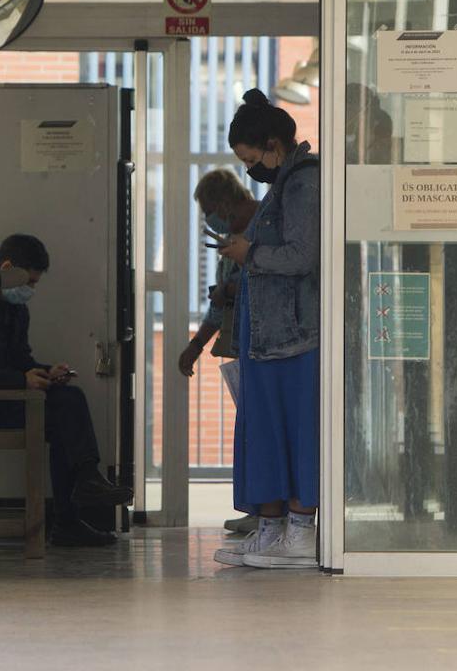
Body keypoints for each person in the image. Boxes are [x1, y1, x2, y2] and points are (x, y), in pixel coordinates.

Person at [0, 234, 134, 549]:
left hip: (8, 398)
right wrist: (21, 380)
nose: (30, 291)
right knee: (65, 410)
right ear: (7, 268)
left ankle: (76, 502)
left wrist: (46, 373)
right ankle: (77, 502)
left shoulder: (16, 311)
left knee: (67, 404)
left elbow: (20, 361)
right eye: (29, 282)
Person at [213, 89, 320, 570]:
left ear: (274, 144)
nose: (251, 170)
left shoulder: (302, 185)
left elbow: (303, 256)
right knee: (266, 431)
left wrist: (248, 254)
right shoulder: (281, 184)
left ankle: (300, 530)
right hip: (271, 335)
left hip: (294, 336)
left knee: (292, 429)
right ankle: (274, 528)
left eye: (253, 158)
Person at [179, 168, 259, 536]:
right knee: (250, 430)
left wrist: (231, 291)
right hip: (242, 347)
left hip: (266, 346)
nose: (212, 218)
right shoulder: (231, 240)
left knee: (263, 430)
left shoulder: (261, 228)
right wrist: (195, 346)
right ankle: (258, 507)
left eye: (211, 209)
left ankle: (270, 510)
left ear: (226, 202)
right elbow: (219, 305)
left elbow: (268, 280)